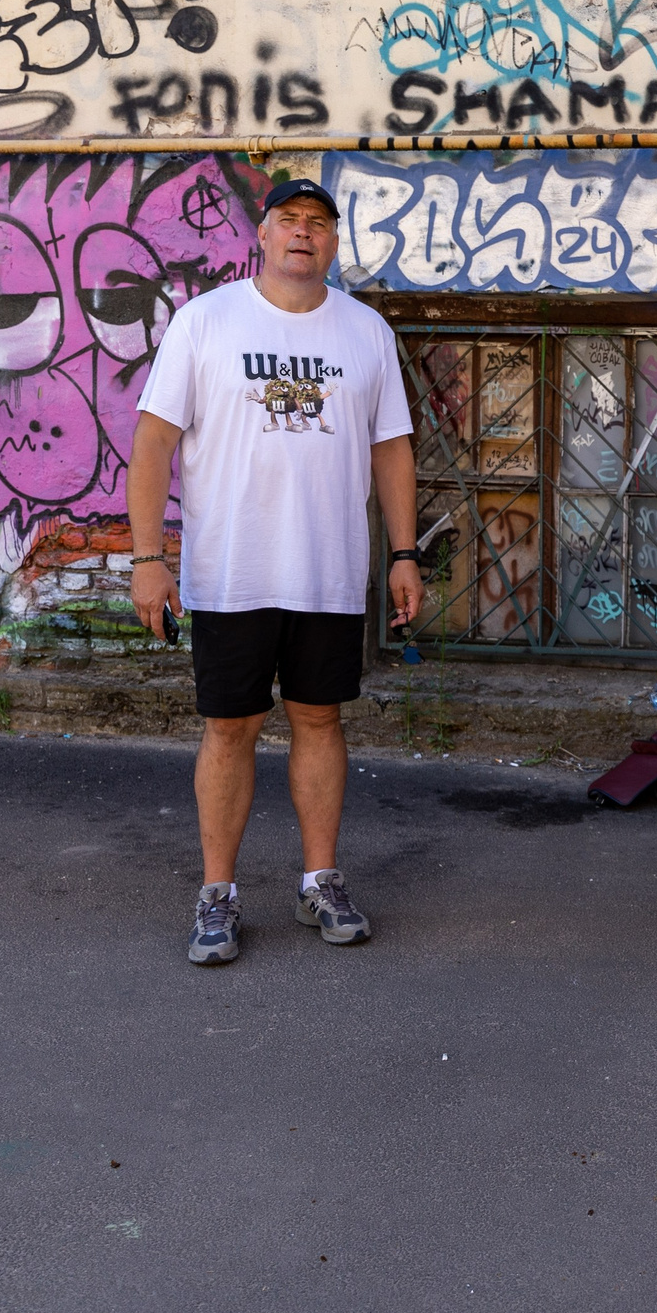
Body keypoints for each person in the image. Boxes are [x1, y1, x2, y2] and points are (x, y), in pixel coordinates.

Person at [127, 178, 422, 965]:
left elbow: (391, 446)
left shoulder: (366, 332)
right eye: (289, 220)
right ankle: (216, 893)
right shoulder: (205, 321)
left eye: (319, 224)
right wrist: (148, 558)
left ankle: (320, 878)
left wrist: (403, 552)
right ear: (261, 234)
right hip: (231, 570)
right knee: (230, 727)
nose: (304, 233)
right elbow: (153, 443)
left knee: (321, 719)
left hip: (327, 569)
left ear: (334, 242)